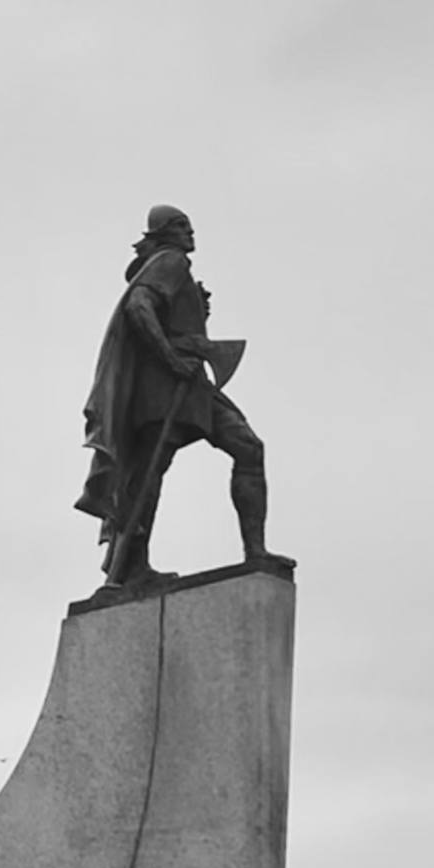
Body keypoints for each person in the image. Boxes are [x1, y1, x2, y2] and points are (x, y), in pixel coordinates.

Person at [76, 204, 276, 584]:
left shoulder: (171, 268)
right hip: (167, 383)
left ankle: (256, 552)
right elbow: (139, 307)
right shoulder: (172, 261)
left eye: (189, 225)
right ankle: (129, 570)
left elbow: (159, 314)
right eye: (181, 226)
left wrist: (195, 313)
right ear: (162, 234)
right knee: (148, 474)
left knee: (247, 448)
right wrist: (170, 358)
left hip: (189, 381)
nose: (190, 232)